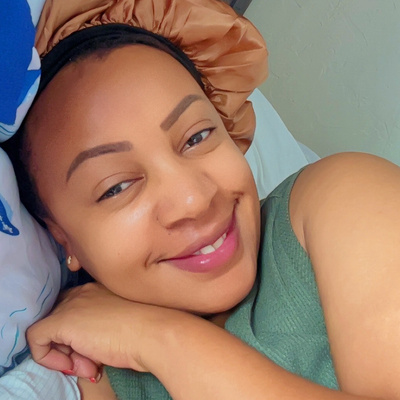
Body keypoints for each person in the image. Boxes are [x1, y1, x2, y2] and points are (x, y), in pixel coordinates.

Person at [4, 1, 400, 399]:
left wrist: (161, 339)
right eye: (117, 186)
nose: (193, 200)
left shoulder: (343, 199)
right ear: (63, 239)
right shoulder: (90, 376)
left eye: (197, 137)